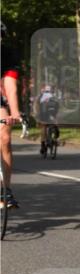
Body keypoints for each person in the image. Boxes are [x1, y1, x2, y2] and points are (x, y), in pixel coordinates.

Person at [0, 22, 23, 209]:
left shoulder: (8, 54)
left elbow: (10, 86)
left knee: (5, 136)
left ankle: (5, 190)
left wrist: (14, 112)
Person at [35, 83, 60, 156]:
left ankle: (43, 145)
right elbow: (58, 106)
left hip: (45, 115)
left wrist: (38, 115)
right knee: (52, 125)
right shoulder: (54, 96)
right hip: (51, 114)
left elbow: (37, 106)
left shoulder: (41, 96)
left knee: (44, 128)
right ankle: (54, 139)